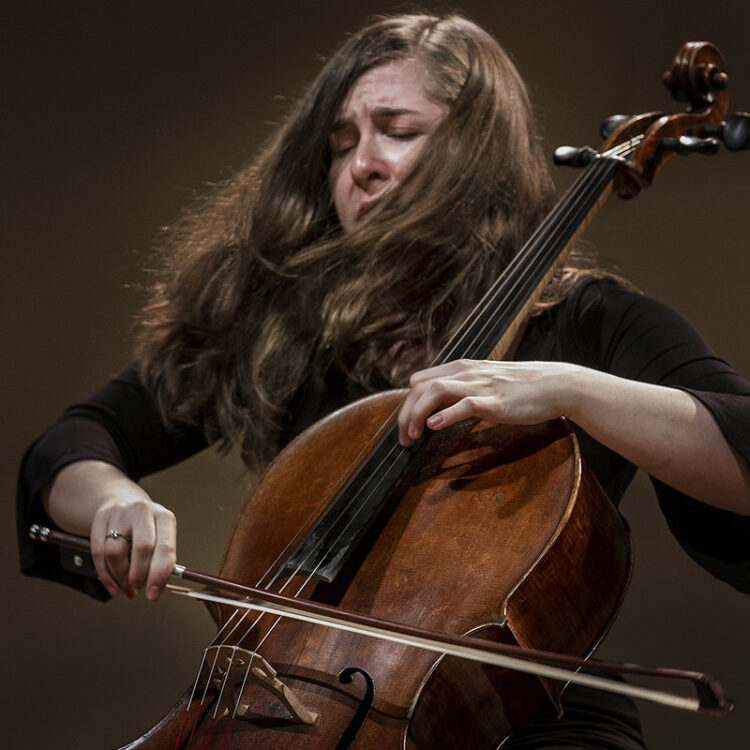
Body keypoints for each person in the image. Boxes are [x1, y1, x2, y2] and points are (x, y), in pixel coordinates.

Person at [16, 11, 750, 750]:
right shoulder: (287, 325)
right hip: (287, 710)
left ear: (476, 153)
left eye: (397, 131)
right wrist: (113, 499)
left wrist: (572, 389)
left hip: (522, 724)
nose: (361, 164)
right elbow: (73, 445)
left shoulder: (586, 321)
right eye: (341, 143)